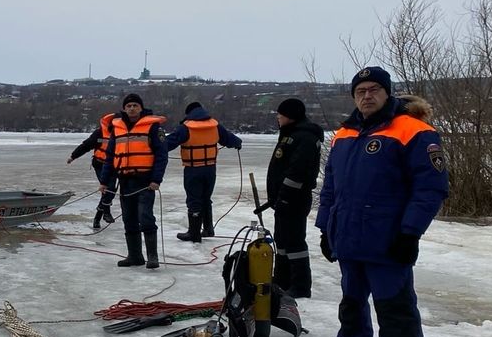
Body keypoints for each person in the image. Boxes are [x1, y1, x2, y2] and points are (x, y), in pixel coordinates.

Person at [314, 66, 449, 337]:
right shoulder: (344, 135)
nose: (367, 95)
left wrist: (410, 233)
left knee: (396, 311)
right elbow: (330, 187)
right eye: (361, 91)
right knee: (351, 307)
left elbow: (430, 188)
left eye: (374, 89)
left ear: (388, 93)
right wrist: (325, 228)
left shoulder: (414, 131)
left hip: (388, 241)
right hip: (348, 239)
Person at [254, 98, 324, 298]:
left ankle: (300, 285)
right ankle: (283, 280)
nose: (277, 118)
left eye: (280, 114)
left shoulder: (305, 138)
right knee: (282, 241)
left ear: (290, 116)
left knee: (294, 243)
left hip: (294, 199)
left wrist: (285, 196)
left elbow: (298, 172)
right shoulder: (291, 135)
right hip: (283, 200)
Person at [100, 92, 169, 268]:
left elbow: (161, 155)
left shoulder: (153, 127)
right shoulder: (117, 128)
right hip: (125, 180)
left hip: (145, 182)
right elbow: (110, 157)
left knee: (145, 217)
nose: (132, 108)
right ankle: (135, 256)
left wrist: (156, 179)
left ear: (141, 107)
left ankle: (152, 257)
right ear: (124, 108)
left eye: (135, 106)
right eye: (129, 106)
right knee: (129, 219)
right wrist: (104, 181)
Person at [163, 101, 243, 243]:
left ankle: (194, 233)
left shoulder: (186, 128)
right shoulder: (215, 125)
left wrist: (154, 145)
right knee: (206, 198)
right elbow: (229, 139)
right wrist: (237, 143)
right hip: (210, 169)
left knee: (194, 200)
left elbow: (168, 143)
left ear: (189, 113)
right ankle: (208, 229)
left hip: (193, 169)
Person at [67, 111, 118, 230]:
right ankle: (105, 212)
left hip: (115, 166)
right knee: (107, 188)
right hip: (100, 165)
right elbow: (86, 145)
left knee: (110, 190)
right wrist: (73, 156)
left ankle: (98, 217)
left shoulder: (122, 133)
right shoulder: (99, 132)